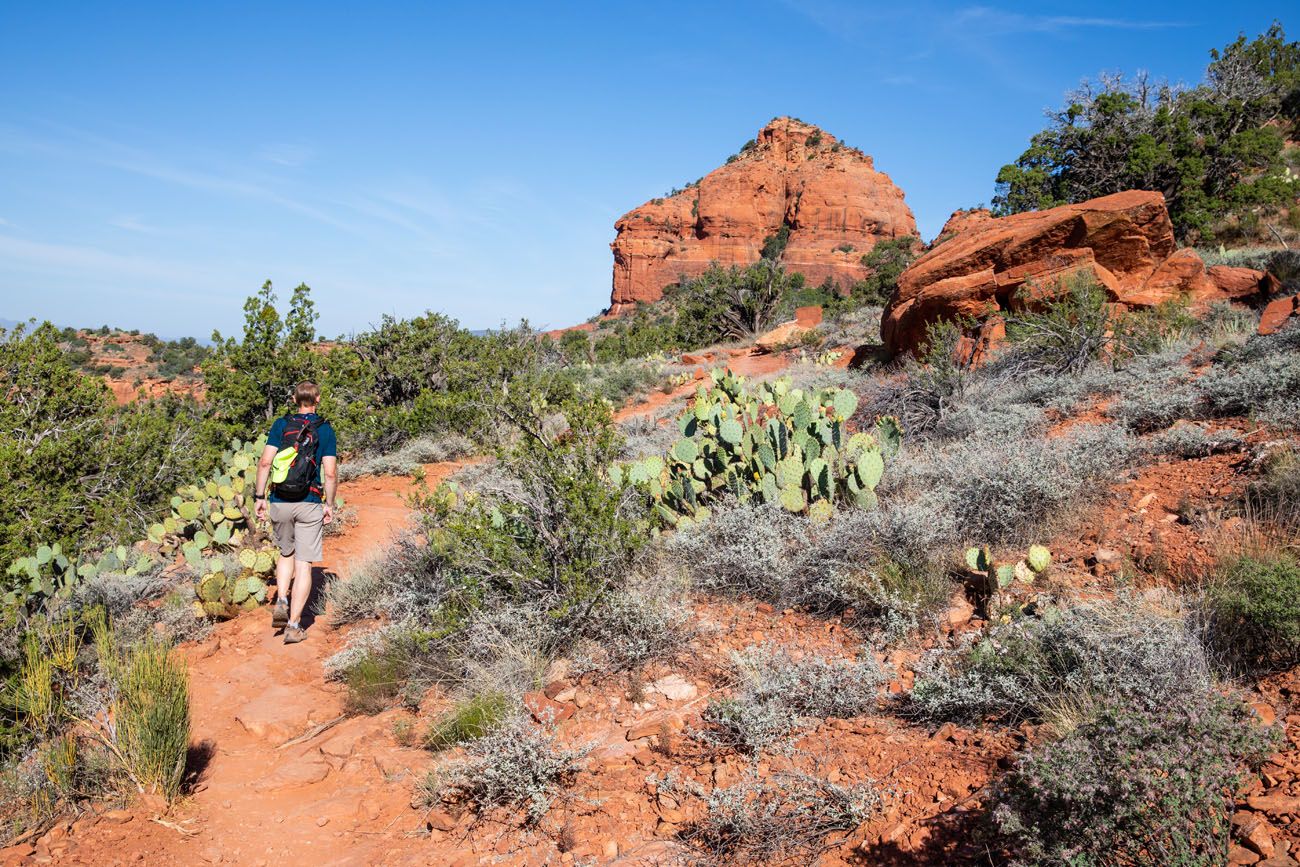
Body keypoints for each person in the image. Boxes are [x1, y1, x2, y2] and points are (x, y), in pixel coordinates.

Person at [253, 381, 338, 644]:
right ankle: (293, 625)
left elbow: (266, 461)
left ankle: (281, 598)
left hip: (280, 499)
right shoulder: (324, 429)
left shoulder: (281, 425)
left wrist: (259, 496)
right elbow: (331, 472)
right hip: (309, 500)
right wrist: (330, 504)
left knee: (285, 553)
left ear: (294, 399)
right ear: (318, 400)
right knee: (304, 564)